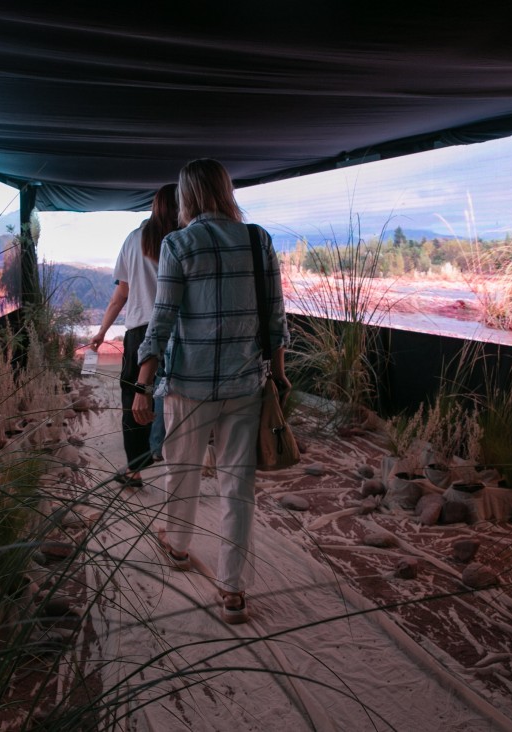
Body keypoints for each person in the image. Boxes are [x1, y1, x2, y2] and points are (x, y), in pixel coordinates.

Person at [132, 159, 289, 624]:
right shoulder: (259, 240)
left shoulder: (179, 244)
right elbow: (276, 320)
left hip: (188, 384)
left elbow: (161, 321)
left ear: (187, 196)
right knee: (237, 488)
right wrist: (278, 376)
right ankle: (233, 590)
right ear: (226, 190)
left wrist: (142, 384)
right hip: (246, 385)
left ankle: (178, 547)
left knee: (182, 470)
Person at [89, 184, 178, 486]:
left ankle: (134, 470)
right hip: (180, 331)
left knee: (135, 398)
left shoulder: (133, 239)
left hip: (141, 331)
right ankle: (176, 465)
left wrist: (102, 331)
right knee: (178, 396)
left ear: (154, 206)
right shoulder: (184, 239)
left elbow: (121, 294)